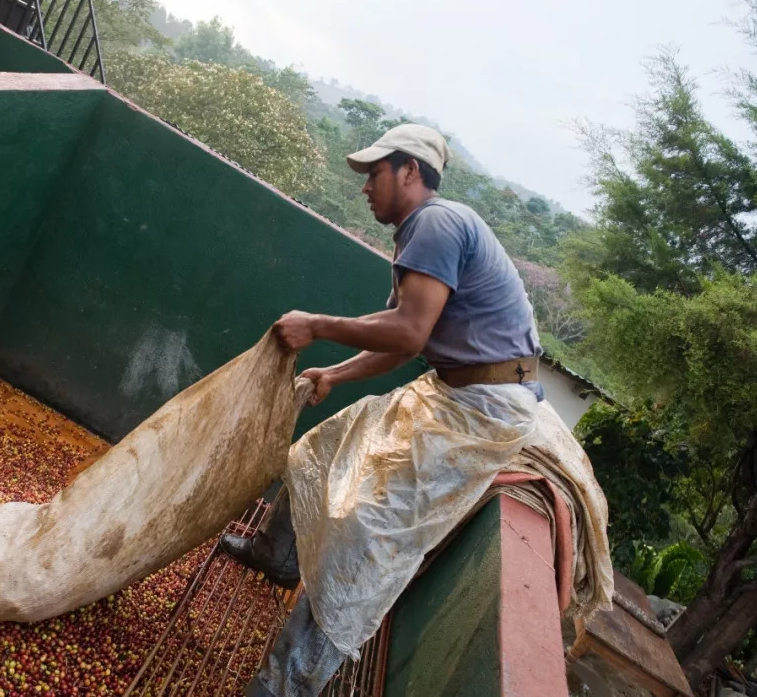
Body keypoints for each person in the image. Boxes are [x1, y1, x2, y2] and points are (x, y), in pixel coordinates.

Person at [220, 123, 544, 697]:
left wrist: (316, 327)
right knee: (323, 447)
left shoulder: (437, 223)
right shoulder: (418, 234)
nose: (365, 188)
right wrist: (334, 374)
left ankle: (284, 687)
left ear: (410, 172)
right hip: (451, 391)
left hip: (483, 409)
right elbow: (402, 342)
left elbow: (409, 330)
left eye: (374, 174)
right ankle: (277, 557)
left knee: (366, 535)